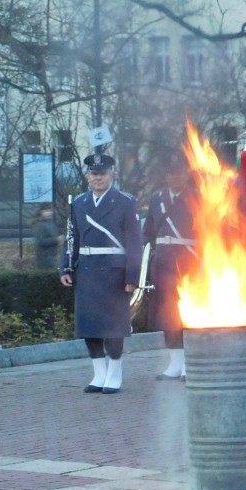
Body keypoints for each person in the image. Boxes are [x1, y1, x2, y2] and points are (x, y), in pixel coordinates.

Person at [60, 153, 143, 394]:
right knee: (90, 325)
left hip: (114, 272)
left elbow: (135, 243)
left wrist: (132, 276)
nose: (98, 178)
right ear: (87, 176)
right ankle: (99, 373)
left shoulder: (125, 202)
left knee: (114, 325)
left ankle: (115, 372)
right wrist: (66, 266)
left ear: (111, 175)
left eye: (103, 173)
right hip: (86, 270)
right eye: (94, 174)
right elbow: (71, 238)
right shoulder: (78, 203)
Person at [142, 155, 197, 381]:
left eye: (180, 172)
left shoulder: (198, 199)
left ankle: (189, 364)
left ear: (186, 174)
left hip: (189, 262)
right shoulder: (157, 199)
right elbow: (148, 232)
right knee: (168, 315)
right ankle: (175, 364)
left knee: (189, 315)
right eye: (171, 173)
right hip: (164, 264)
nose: (175, 177)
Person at [33, 204, 61, 269]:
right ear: (41, 212)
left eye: (50, 210)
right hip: (44, 257)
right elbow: (40, 241)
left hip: (53, 255)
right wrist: (56, 240)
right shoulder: (39, 225)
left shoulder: (51, 223)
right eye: (46, 210)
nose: (50, 212)